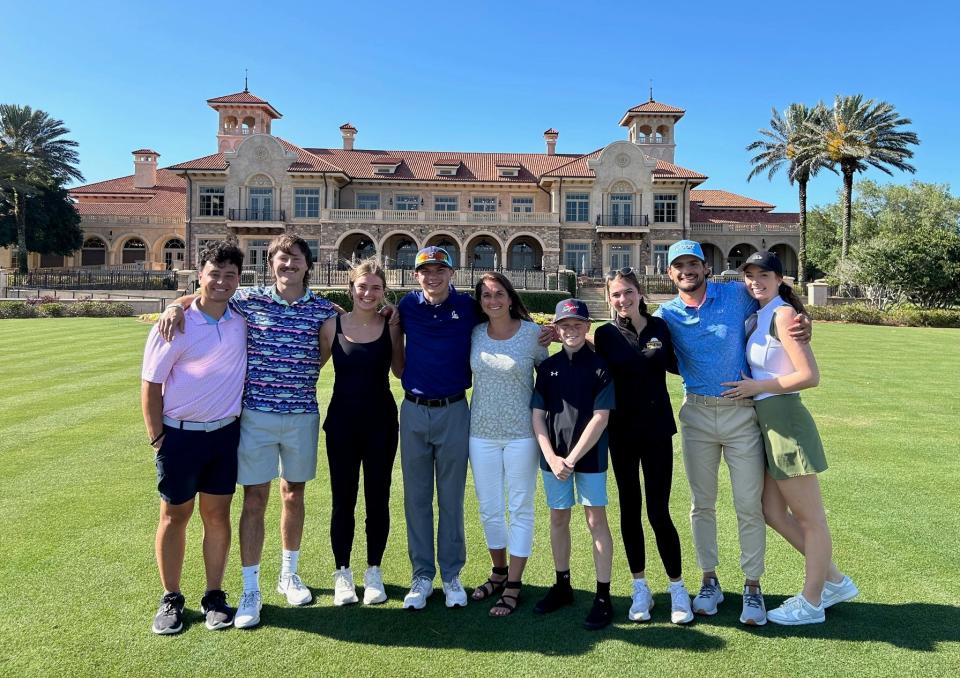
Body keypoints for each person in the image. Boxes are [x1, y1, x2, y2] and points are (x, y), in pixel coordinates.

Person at [159, 234, 337, 628]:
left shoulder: (324, 310)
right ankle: (250, 588)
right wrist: (176, 303)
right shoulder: (248, 300)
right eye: (280, 259)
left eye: (295, 259)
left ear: (308, 264)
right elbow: (209, 296)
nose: (288, 265)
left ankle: (288, 574)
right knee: (255, 498)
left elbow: (331, 346)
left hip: (301, 415)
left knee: (294, 494)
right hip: (254, 415)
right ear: (270, 265)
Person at [654, 239, 809, 626]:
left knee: (748, 504)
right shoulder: (665, 313)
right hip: (697, 414)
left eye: (693, 263)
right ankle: (709, 581)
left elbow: (774, 297)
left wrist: (802, 319)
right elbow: (628, 336)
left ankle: (752, 586)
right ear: (669, 273)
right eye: (679, 266)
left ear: (705, 267)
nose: (686, 271)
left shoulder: (735, 294)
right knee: (701, 504)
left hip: (742, 415)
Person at [720, 251, 858, 625]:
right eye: (749, 275)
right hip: (766, 422)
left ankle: (812, 601)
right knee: (771, 511)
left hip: (785, 420)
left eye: (764, 274)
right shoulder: (760, 313)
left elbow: (810, 375)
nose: (755, 281)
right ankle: (834, 580)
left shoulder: (782, 314)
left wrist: (756, 386)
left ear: (780, 279)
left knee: (811, 519)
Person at [141, 241, 246, 634]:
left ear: (239, 279)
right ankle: (171, 598)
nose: (221, 282)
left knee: (217, 516)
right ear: (199, 274)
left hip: (224, 434)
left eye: (229, 275)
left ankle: (214, 596)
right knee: (174, 516)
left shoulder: (241, 316)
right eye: (213, 274)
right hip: (179, 436)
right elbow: (151, 385)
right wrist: (157, 438)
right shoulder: (176, 323)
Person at [594, 268, 693, 625]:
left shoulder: (660, 328)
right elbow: (592, 366)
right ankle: (640, 588)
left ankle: (678, 588)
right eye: (616, 295)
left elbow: (679, 362)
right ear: (609, 298)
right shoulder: (604, 335)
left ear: (640, 293)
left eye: (628, 292)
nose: (623, 300)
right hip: (621, 433)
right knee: (630, 510)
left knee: (659, 511)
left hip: (656, 431)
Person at [396, 246, 479, 610]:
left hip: (454, 409)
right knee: (416, 498)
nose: (433, 277)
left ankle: (451, 573)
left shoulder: (468, 307)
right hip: (414, 410)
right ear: (416, 276)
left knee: (450, 497)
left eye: (440, 270)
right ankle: (422, 574)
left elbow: (506, 316)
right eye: (426, 271)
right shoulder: (406, 307)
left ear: (451, 273)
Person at [318, 258, 404, 606]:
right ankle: (342, 573)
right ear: (350, 288)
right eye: (362, 286)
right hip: (341, 423)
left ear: (384, 292)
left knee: (377, 500)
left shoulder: (392, 326)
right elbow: (311, 370)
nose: (368, 293)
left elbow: (400, 371)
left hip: (381, 422)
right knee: (343, 501)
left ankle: (373, 572)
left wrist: (398, 319)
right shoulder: (331, 326)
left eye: (376, 288)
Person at [531, 298, 616, 631]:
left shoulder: (599, 367)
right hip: (553, 458)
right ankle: (562, 584)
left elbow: (601, 417)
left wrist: (571, 458)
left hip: (589, 457)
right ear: (556, 328)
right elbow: (537, 416)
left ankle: (603, 595)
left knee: (595, 519)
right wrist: (552, 457)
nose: (571, 330)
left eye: (577, 325)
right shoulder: (548, 367)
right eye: (564, 325)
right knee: (558, 517)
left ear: (587, 327)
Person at [467, 272, 548, 617]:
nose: (492, 300)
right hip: (480, 432)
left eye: (498, 294)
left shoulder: (532, 335)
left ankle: (514, 583)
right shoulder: (474, 333)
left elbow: (552, 376)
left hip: (521, 435)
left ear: (511, 297)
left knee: (519, 508)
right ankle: (498, 571)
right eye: (485, 296)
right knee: (489, 508)